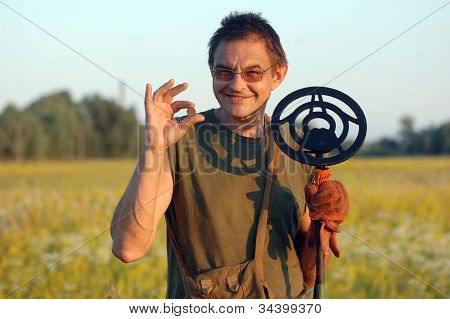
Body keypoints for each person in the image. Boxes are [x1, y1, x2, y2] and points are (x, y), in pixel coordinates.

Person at [110, 12, 349, 299]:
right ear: (211, 70)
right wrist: (152, 149)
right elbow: (128, 248)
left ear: (278, 74)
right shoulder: (181, 141)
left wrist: (323, 228)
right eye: (224, 72)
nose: (236, 85)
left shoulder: (299, 147)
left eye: (253, 73)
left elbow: (308, 269)